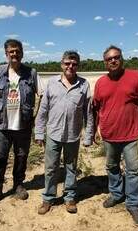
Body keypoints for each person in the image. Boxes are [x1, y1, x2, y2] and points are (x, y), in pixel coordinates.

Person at [93, 45, 138, 225]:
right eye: (109, 59)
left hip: (133, 135)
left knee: (134, 171)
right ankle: (116, 194)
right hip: (109, 135)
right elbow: (96, 108)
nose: (113, 60)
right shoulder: (100, 82)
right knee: (112, 167)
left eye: (116, 57)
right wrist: (93, 129)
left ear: (121, 59)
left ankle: (133, 204)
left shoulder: (136, 76)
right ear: (105, 63)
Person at [0, 39, 43, 207]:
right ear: (6, 54)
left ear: (22, 53)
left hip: (23, 125)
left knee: (21, 157)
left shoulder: (32, 73)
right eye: (11, 51)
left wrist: (36, 117)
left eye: (17, 51)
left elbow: (42, 96)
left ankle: (18, 185)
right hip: (2, 125)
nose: (14, 54)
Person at [35, 50, 94, 214]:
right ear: (62, 64)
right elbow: (43, 110)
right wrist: (39, 133)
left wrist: (88, 135)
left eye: (74, 64)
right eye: (67, 63)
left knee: (71, 168)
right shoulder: (52, 83)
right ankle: (48, 198)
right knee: (51, 168)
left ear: (78, 66)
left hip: (73, 136)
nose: (70, 66)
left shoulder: (84, 85)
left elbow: (88, 112)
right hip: (53, 134)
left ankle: (69, 198)